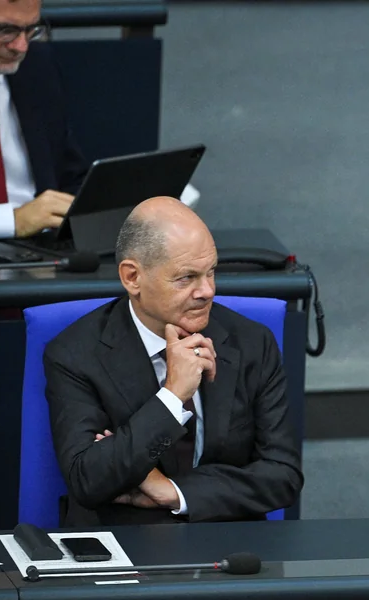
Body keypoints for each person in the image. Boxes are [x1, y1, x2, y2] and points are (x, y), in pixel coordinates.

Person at [44, 196, 303, 526]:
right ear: (132, 277)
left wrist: (174, 492)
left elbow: (283, 476)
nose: (207, 291)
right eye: (186, 278)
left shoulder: (252, 342)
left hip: (228, 537)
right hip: (126, 538)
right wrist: (172, 396)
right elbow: (88, 479)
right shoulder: (75, 353)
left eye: (211, 272)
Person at [0, 0, 89, 243]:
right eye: (6, 30)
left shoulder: (37, 66)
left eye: (31, 30)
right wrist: (12, 221)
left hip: (45, 248)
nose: (21, 47)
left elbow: (70, 175)